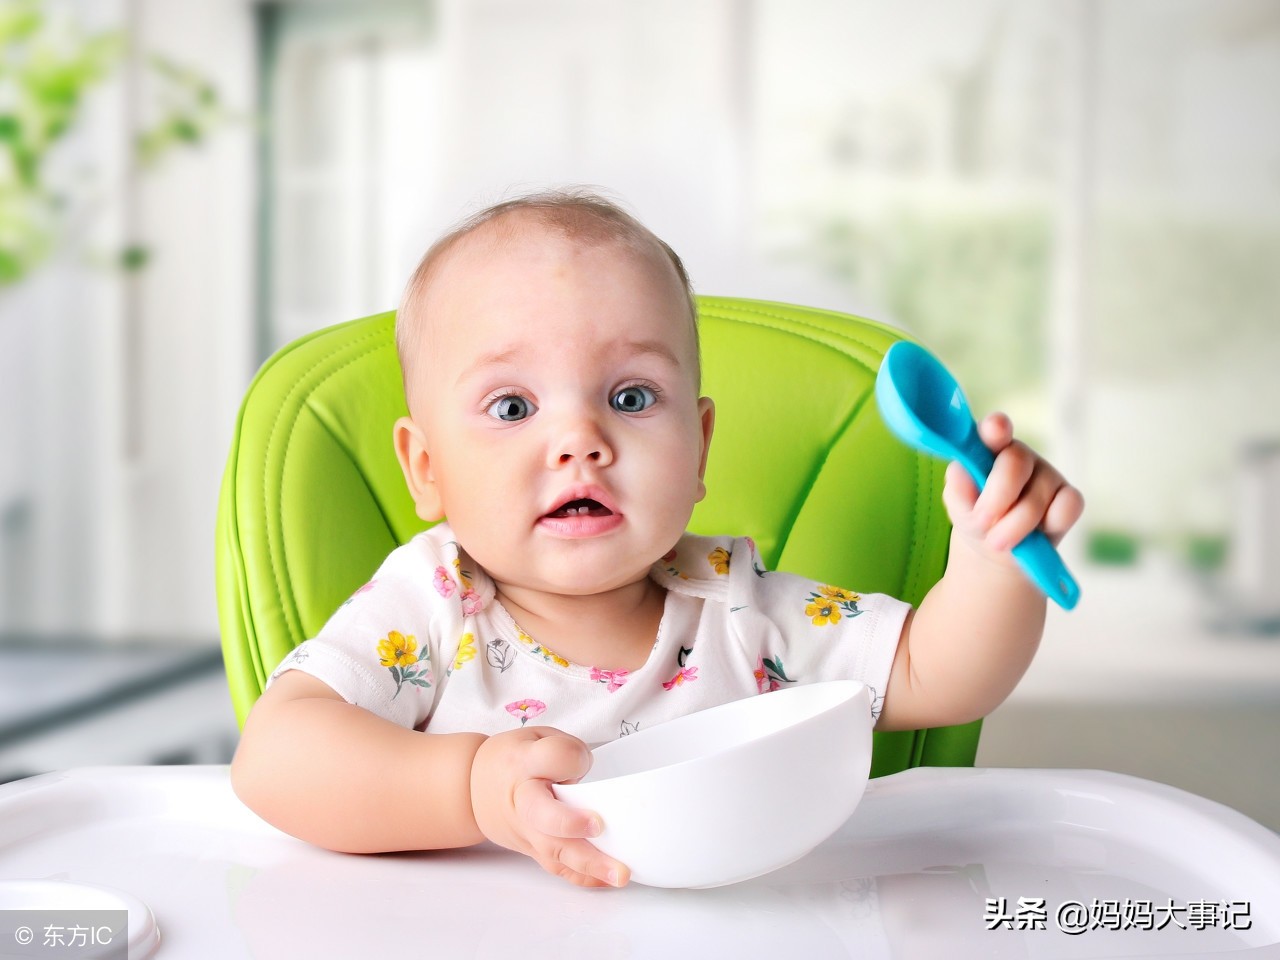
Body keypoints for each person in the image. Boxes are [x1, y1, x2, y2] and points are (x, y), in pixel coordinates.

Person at [231, 188, 1084, 890]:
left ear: (700, 447)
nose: (581, 439)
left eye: (632, 397)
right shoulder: (428, 606)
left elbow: (936, 677)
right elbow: (275, 758)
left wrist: (991, 556)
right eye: (513, 407)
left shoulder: (736, 605)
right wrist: (469, 788)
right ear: (427, 469)